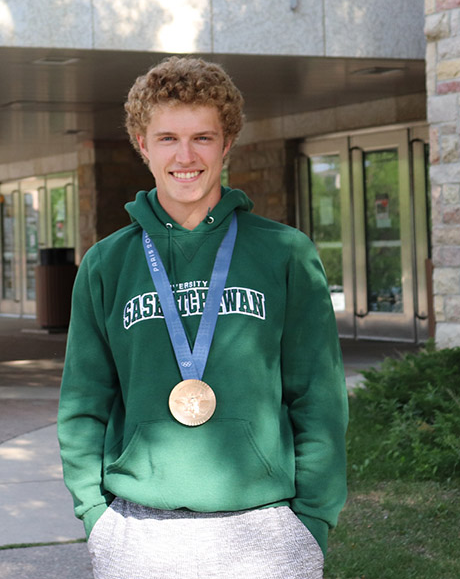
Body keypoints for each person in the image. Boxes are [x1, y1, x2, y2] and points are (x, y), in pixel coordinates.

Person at [57, 56, 347, 578]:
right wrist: (96, 517)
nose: (185, 156)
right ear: (142, 145)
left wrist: (313, 522)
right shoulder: (106, 264)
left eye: (203, 138)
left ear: (227, 142)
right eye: (167, 138)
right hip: (140, 532)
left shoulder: (285, 254)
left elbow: (319, 398)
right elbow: (83, 403)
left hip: (266, 530)